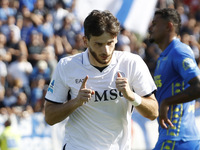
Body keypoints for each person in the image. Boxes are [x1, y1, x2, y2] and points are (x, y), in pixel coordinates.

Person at [44, 10, 158, 150]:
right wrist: (76, 102)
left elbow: (154, 112)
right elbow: (49, 117)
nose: (106, 50)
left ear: (116, 38)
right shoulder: (67, 66)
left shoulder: (132, 63)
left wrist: (131, 95)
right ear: (85, 41)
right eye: (98, 44)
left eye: (110, 43)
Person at [149, 8, 200, 149]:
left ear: (168, 26)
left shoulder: (179, 51)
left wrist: (166, 102)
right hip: (174, 138)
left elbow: (198, 87)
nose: (151, 27)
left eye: (155, 23)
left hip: (176, 139)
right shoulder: (164, 56)